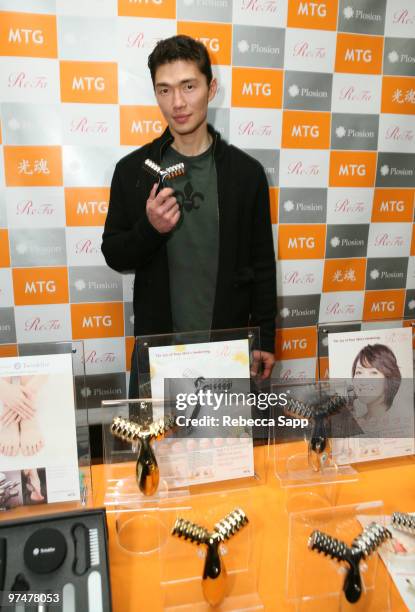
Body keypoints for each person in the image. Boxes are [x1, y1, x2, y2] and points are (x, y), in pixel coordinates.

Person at [101, 35, 276, 396]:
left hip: (228, 351)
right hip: (157, 355)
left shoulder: (246, 174)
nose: (177, 103)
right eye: (164, 90)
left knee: (227, 451)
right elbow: (114, 253)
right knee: (152, 454)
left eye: (188, 86)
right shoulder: (133, 170)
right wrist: (150, 230)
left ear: (211, 89)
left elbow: (262, 263)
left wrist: (266, 335)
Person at [351, 344, 401, 420]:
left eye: (373, 373)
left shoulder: (400, 420)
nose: (363, 381)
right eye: (359, 372)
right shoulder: (358, 422)